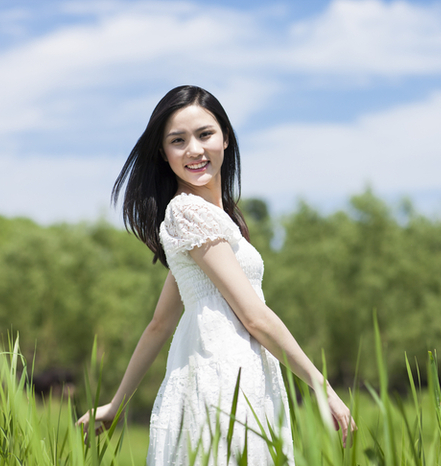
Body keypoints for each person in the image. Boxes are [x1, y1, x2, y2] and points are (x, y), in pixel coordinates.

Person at [76, 85, 355, 465]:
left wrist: (116, 404)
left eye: (205, 134)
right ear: (163, 153)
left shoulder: (212, 221)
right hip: (225, 379)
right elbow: (254, 316)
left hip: (236, 377)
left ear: (225, 137)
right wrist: (322, 386)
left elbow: (159, 324)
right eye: (178, 140)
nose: (194, 149)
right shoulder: (189, 213)